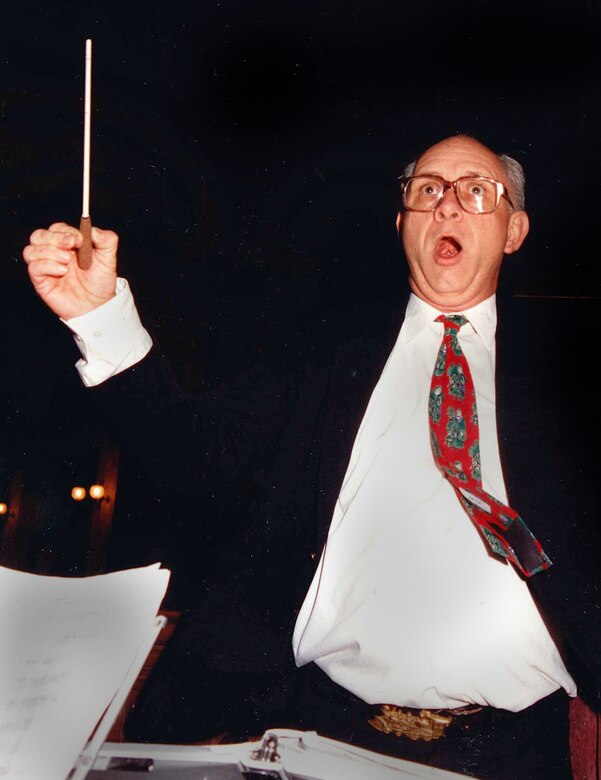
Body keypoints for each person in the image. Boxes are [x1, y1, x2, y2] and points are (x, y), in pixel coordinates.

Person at [22, 135, 601, 778]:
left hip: (516, 751)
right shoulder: (324, 351)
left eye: (476, 192)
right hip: (327, 734)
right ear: (401, 221)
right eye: (428, 190)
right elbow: (195, 455)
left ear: (514, 230)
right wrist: (99, 315)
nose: (448, 208)